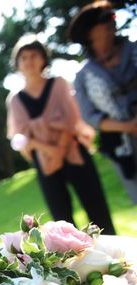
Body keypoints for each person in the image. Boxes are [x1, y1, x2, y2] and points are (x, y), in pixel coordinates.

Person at [6, 34, 116, 234]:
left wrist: (60, 150)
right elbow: (22, 138)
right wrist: (51, 152)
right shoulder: (15, 100)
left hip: (74, 152)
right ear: (17, 63)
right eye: (24, 57)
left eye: (34, 55)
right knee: (62, 220)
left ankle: (116, 259)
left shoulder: (58, 83)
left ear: (43, 58)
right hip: (45, 163)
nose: (29, 61)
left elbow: (72, 119)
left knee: (97, 209)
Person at [69, 0, 137, 204]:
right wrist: (128, 126)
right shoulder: (83, 76)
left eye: (113, 16)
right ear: (89, 32)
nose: (112, 21)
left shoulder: (133, 50)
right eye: (105, 18)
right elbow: (90, 116)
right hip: (124, 146)